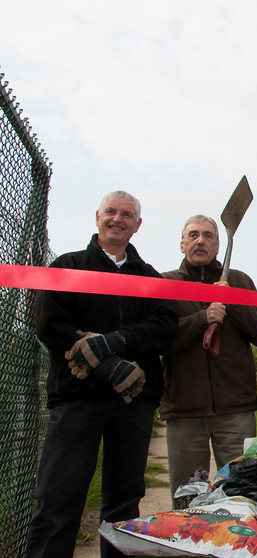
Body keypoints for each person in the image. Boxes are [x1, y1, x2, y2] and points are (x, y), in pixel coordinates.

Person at [26, 191, 178, 558]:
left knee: (124, 503)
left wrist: (116, 341)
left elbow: (164, 326)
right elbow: (49, 323)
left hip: (133, 401)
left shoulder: (149, 278)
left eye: (127, 214)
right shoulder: (68, 266)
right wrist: (106, 363)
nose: (117, 219)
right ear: (97, 217)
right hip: (77, 398)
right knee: (58, 496)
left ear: (137, 225)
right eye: (111, 211)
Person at [160, 215, 257, 502]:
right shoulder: (166, 284)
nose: (200, 240)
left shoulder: (240, 280)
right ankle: (187, 547)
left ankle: (240, 546)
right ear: (182, 244)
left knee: (242, 494)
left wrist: (234, 303)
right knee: (186, 497)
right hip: (185, 409)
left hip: (236, 409)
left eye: (208, 236)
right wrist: (201, 319)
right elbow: (159, 339)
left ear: (218, 245)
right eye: (193, 235)